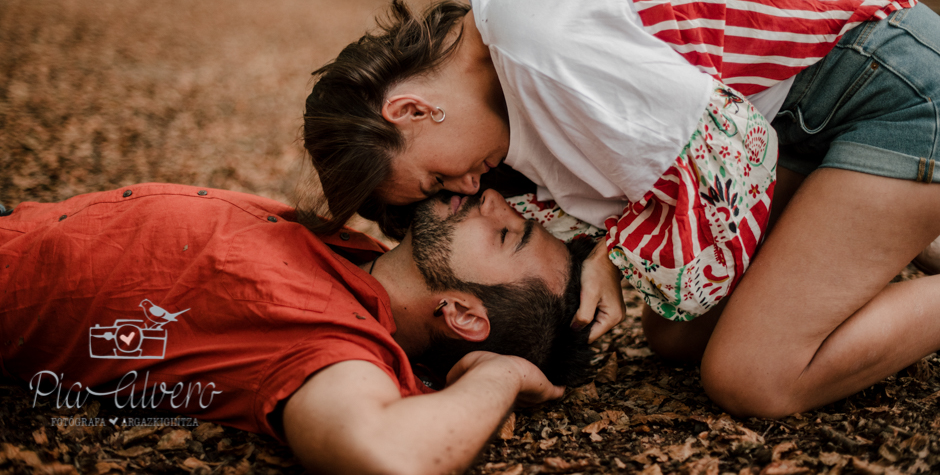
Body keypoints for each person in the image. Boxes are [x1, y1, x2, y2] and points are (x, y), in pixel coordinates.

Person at [303, 0, 940, 418]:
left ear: (412, 111)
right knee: (676, 337)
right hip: (803, 116)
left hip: (893, 90)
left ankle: (910, 209)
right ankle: (898, 223)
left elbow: (732, 155)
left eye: (435, 180)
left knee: (754, 376)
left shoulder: (543, 49)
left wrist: (615, 255)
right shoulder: (500, 57)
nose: (467, 189)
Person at [0, 183, 593, 475]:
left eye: (505, 235)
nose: (493, 199)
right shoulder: (357, 259)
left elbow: (387, 452)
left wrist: (503, 374)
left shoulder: (335, 340)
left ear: (463, 315)